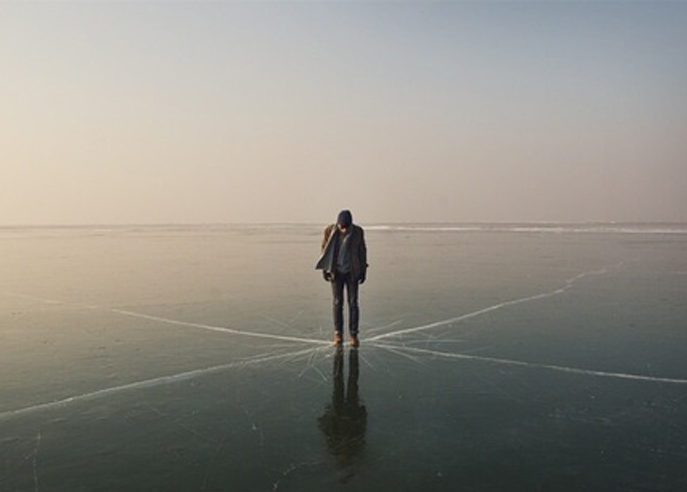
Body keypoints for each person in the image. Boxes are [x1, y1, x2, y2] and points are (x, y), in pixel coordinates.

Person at [315, 210, 368, 347]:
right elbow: (324, 251)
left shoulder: (358, 232)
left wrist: (363, 271)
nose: (343, 230)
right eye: (341, 226)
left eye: (346, 227)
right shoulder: (329, 231)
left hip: (352, 272)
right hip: (336, 272)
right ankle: (338, 333)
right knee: (338, 302)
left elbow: (362, 251)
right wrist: (325, 269)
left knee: (353, 303)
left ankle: (353, 335)